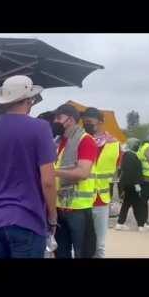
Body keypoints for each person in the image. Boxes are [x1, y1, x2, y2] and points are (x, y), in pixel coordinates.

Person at [0, 76, 57, 259]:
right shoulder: (40, 128)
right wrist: (52, 216)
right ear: (29, 100)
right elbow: (48, 182)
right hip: (26, 219)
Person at [52, 104, 97, 259]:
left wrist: (53, 172)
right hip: (59, 207)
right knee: (61, 253)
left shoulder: (86, 141)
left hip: (78, 208)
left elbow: (83, 172)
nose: (55, 122)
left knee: (82, 253)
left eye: (58, 118)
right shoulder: (59, 142)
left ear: (70, 120)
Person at [78, 107, 120, 258]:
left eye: (89, 120)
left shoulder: (114, 144)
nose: (86, 123)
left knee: (99, 246)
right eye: (84, 121)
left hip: (101, 200)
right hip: (80, 201)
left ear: (101, 122)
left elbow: (116, 169)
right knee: (79, 245)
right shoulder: (77, 141)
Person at [115, 139, 146, 232]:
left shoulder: (129, 155)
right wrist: (137, 184)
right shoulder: (130, 156)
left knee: (127, 204)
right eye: (136, 145)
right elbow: (132, 172)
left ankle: (120, 223)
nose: (137, 146)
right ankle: (140, 225)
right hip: (132, 184)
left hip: (128, 184)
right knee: (137, 204)